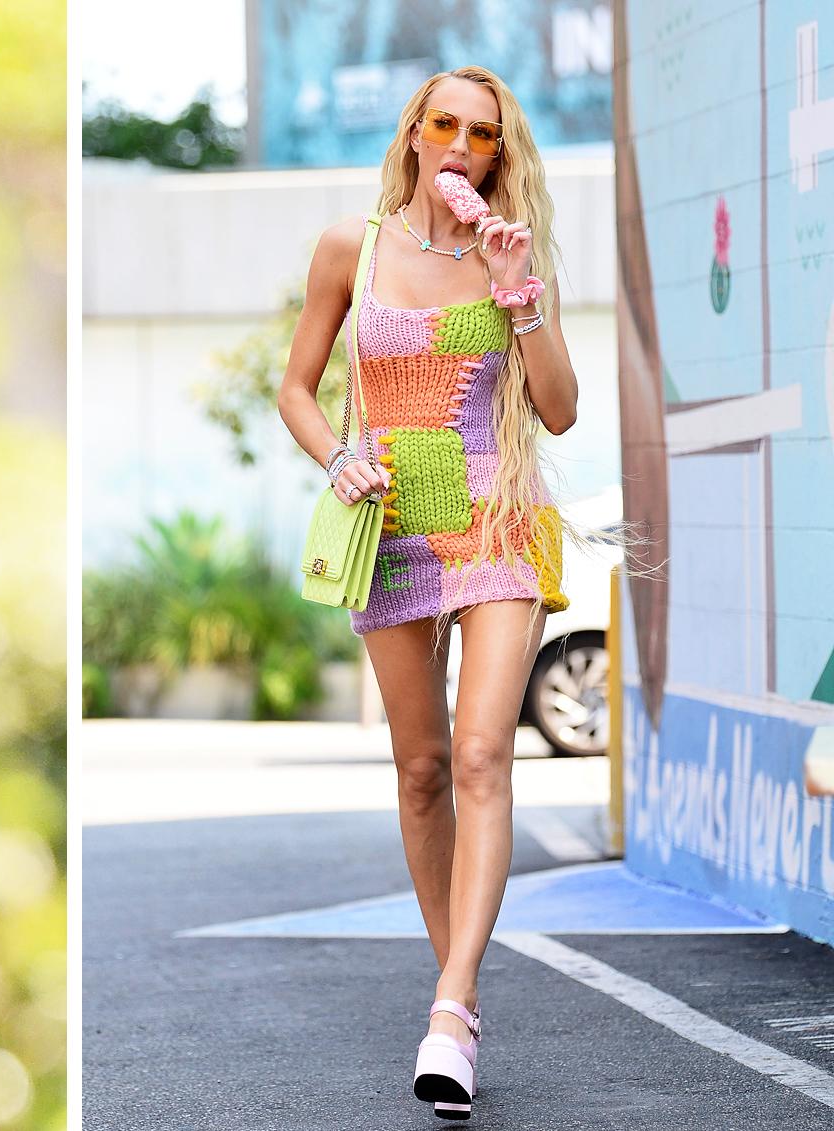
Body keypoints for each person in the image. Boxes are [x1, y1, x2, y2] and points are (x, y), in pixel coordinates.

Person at [276, 65, 582, 1121]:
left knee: (484, 751)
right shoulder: (347, 250)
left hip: (496, 522)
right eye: (443, 125)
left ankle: (450, 1010)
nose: (461, 146)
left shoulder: (511, 252)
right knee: (421, 773)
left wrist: (520, 295)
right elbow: (296, 385)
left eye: (483, 135)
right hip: (394, 527)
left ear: (500, 153)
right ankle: (464, 975)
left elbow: (561, 408)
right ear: (414, 134)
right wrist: (336, 457)